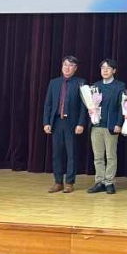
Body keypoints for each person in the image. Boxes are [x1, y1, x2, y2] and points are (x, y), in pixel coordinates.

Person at [42, 55, 87, 193]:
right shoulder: (54, 83)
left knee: (71, 153)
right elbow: (48, 104)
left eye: (71, 65)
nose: (67, 68)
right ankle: (58, 182)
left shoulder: (81, 83)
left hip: (71, 123)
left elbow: (84, 106)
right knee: (57, 154)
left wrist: (81, 123)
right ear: (62, 66)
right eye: (65, 65)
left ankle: (69, 182)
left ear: (75, 68)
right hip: (56, 122)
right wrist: (46, 122)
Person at [86, 59, 125, 195]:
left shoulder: (120, 86)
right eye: (103, 68)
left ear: (114, 70)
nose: (105, 70)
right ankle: (99, 182)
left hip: (111, 126)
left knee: (111, 156)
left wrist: (119, 124)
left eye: (108, 68)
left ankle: (109, 182)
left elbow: (122, 107)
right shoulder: (95, 86)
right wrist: (90, 111)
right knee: (98, 156)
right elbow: (90, 105)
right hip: (96, 125)